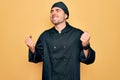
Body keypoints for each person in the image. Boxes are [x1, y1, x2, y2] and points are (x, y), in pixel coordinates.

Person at [25, 1, 95, 80]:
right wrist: (32, 48)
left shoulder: (77, 34)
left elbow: (89, 60)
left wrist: (86, 45)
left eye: (58, 10)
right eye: (52, 11)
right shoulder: (45, 36)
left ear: (66, 15)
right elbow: (37, 58)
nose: (53, 13)